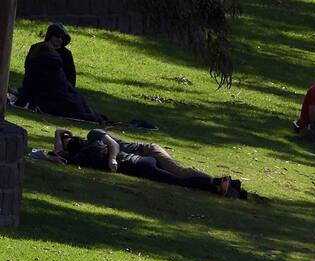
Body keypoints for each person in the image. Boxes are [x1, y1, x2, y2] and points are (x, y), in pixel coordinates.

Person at [52, 128, 234, 195]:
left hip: (147, 151)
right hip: (140, 158)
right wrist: (58, 133)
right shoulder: (91, 149)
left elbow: (114, 144)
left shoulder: (94, 136)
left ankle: (217, 182)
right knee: (177, 174)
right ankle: (215, 184)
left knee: (178, 173)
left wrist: (113, 159)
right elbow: (59, 151)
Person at [13, 23, 106, 123]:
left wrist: (68, 93)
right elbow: (30, 77)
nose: (60, 40)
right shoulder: (37, 49)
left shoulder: (65, 54)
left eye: (62, 38)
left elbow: (70, 78)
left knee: (81, 107)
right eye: (57, 36)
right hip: (45, 94)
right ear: (50, 36)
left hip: (62, 90)